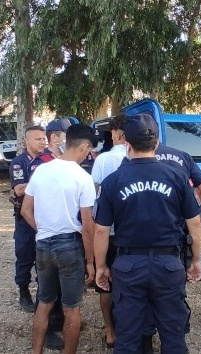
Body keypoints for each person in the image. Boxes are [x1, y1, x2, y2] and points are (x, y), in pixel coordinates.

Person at [94, 114, 201, 354]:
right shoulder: (177, 177)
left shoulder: (113, 181)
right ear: (155, 144)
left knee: (129, 337)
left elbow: (101, 230)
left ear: (126, 144)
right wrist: (196, 260)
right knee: (173, 335)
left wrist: (101, 266)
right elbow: (195, 225)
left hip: (128, 266)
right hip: (168, 265)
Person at [20, 124, 97, 354]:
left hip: (43, 243)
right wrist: (91, 262)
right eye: (89, 150)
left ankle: (36, 351)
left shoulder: (41, 170)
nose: (88, 155)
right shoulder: (83, 178)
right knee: (71, 308)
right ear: (83, 146)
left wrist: (43, 228)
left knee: (44, 303)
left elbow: (25, 210)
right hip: (70, 246)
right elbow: (87, 226)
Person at [90, 113, 128, 348]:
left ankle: (111, 331)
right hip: (131, 233)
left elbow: (96, 195)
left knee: (105, 283)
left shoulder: (104, 160)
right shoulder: (141, 155)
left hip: (108, 230)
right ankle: (132, 329)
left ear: (116, 134)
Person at [9, 125, 49, 312]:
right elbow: (18, 189)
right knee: (24, 255)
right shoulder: (19, 162)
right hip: (25, 218)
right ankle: (24, 291)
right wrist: (42, 181)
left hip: (45, 214)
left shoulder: (49, 159)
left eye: (44, 138)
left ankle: (44, 295)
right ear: (27, 141)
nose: (43, 142)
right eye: (38, 139)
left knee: (45, 258)